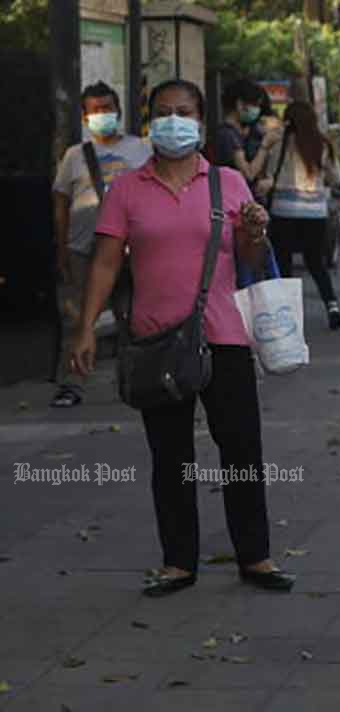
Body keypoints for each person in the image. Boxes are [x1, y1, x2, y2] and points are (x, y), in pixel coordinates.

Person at [69, 79, 295, 598]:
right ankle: (178, 562)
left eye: (185, 111)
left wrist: (256, 233)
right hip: (155, 341)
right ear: (150, 123)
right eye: (165, 113)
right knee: (170, 455)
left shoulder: (228, 184)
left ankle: (255, 557)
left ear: (199, 120)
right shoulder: (127, 190)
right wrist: (84, 329)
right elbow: (105, 265)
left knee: (241, 448)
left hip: (224, 337)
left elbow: (251, 261)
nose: (176, 120)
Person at [50, 82, 152, 407]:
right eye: (95, 110)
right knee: (79, 318)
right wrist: (62, 248)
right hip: (84, 248)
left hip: (133, 248)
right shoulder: (74, 156)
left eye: (107, 108)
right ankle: (71, 383)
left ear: (119, 111)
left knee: (133, 317)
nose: (102, 115)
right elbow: (61, 204)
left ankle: (137, 381)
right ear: (84, 116)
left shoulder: (141, 149)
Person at [261, 100, 340, 331]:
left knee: (283, 262)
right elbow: (336, 178)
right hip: (315, 213)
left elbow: (267, 174)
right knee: (316, 262)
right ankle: (332, 305)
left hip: (283, 211)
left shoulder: (278, 144)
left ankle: (289, 315)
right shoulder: (322, 144)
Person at [214, 79, 277, 187]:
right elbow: (248, 174)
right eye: (255, 105)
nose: (257, 110)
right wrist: (265, 146)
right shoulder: (227, 135)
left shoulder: (239, 133)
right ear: (240, 104)